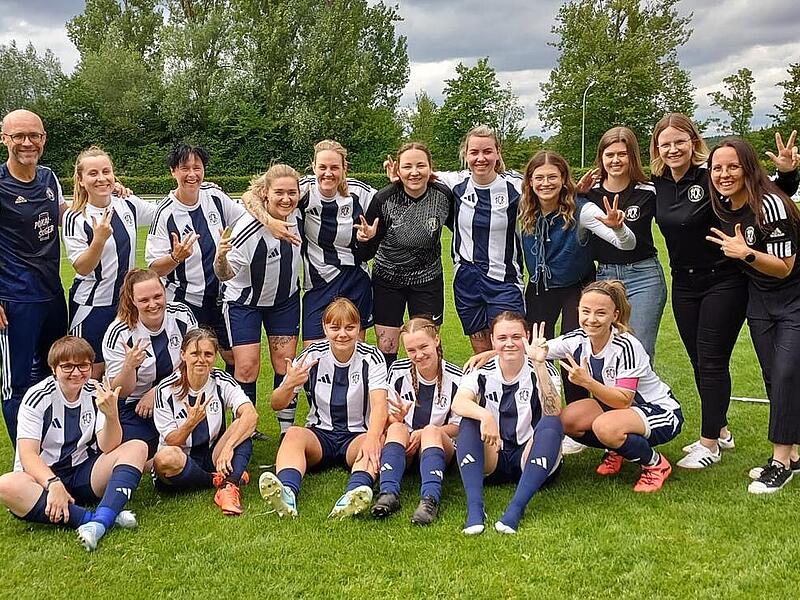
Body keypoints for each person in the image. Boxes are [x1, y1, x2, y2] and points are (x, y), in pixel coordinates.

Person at [650, 114, 799, 469]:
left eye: (680, 141)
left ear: (693, 142)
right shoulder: (656, 183)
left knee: (713, 359)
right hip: (683, 283)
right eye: (665, 143)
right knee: (700, 361)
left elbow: (762, 193)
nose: (673, 149)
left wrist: (790, 174)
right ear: (657, 148)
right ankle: (722, 428)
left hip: (724, 279)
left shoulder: (712, 174)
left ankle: (709, 443)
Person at [706, 138, 800, 493]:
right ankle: (791, 455)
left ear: (749, 168)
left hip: (792, 297)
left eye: (733, 166)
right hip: (760, 301)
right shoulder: (724, 203)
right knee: (774, 378)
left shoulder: (771, 205)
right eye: (717, 168)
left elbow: (785, 268)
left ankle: (779, 463)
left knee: (788, 372)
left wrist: (745, 253)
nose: (724, 174)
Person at [0, 336, 147, 551]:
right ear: (53, 369)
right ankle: (100, 518)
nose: (76, 373)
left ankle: (99, 521)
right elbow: (28, 455)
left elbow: (108, 446)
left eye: (83, 366)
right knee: (6, 485)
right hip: (42, 480)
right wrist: (53, 484)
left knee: (137, 447)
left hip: (82, 474)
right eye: (67, 366)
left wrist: (112, 415)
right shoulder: (37, 397)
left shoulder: (95, 390)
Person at [519, 149, 634, 408]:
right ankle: (537, 409)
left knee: (573, 350)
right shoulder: (524, 208)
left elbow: (624, 244)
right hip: (540, 288)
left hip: (578, 288)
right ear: (530, 182)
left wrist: (619, 228)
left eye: (552, 177)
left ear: (563, 179)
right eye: (538, 178)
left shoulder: (583, 210)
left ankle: (577, 414)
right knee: (534, 349)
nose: (545, 183)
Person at [258, 298, 388, 519]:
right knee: (293, 434)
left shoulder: (371, 357)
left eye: (349, 327)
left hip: (356, 436)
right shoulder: (312, 355)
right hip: (320, 436)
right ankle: (287, 493)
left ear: (358, 328)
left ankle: (351, 496)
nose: (342, 334)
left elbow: (379, 405)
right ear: (325, 327)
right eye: (335, 328)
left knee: (378, 441)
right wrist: (289, 383)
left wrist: (374, 437)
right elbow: (276, 403)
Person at [554, 281, 683, 493]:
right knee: (568, 421)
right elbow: (535, 350)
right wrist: (492, 353)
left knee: (605, 427)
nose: (591, 319)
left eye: (600, 313)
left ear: (614, 315)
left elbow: (624, 400)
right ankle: (618, 449)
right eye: (586, 311)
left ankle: (655, 464)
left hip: (659, 411)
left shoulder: (626, 345)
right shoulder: (578, 338)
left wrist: (587, 382)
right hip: (619, 410)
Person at [453, 313, 564, 535]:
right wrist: (486, 416)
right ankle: (475, 509)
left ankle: (516, 509)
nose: (509, 343)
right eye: (502, 337)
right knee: (468, 421)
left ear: (527, 337)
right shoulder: (481, 371)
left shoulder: (544, 369)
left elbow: (554, 409)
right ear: (492, 341)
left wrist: (540, 365)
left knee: (551, 425)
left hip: (530, 456)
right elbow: (459, 402)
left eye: (516, 336)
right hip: (494, 455)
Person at [215, 164, 302, 437]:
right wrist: (220, 258)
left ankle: (287, 431)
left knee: (285, 363)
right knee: (247, 366)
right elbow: (225, 274)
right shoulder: (246, 230)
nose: (286, 199)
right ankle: (245, 429)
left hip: (284, 300)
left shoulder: (297, 212)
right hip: (245, 303)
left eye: (292, 192)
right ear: (266, 193)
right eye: (279, 193)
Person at [145, 143, 245, 372]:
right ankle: (188, 407)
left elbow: (245, 222)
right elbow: (154, 268)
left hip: (221, 298)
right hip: (185, 301)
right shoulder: (165, 213)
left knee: (233, 358)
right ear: (173, 171)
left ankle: (221, 406)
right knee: (189, 361)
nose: (192, 174)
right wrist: (175, 257)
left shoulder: (216, 198)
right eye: (184, 168)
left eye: (197, 168)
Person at [0, 109, 67, 443]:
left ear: (43, 139)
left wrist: (112, 192)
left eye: (34, 136)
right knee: (17, 384)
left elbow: (66, 216)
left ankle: (54, 449)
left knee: (57, 373)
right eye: (19, 136)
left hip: (53, 296)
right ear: (4, 139)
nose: (27, 143)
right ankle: (24, 463)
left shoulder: (49, 178)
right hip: (15, 300)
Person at [429, 125, 526, 354]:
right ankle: (486, 391)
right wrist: (396, 176)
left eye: (487, 151)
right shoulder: (455, 183)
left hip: (505, 281)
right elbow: (418, 174)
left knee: (509, 347)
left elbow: (551, 187)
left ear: (497, 153)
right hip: (467, 282)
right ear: (466, 155)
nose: (481, 158)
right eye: (474, 152)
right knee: (481, 350)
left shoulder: (516, 186)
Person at [63, 146, 156, 379]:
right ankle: (87, 416)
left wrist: (203, 189)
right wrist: (99, 241)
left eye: (106, 171)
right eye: (93, 173)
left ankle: (117, 417)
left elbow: (165, 211)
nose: (101, 178)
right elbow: (82, 267)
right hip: (92, 307)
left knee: (127, 367)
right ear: (81, 179)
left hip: (127, 305)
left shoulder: (128, 204)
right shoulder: (75, 216)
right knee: (91, 371)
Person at [359, 142, 454, 367]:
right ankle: (388, 396)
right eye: (407, 166)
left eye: (420, 165)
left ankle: (429, 395)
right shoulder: (384, 199)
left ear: (430, 169)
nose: (414, 172)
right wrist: (368, 238)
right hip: (388, 281)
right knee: (387, 347)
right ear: (397, 171)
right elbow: (364, 253)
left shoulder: (442, 196)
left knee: (426, 345)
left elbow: (464, 227)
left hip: (427, 280)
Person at [581, 127, 665, 362]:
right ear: (601, 158)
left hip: (644, 276)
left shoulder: (648, 191)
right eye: (610, 155)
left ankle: (641, 400)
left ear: (632, 157)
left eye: (622, 154)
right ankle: (611, 399)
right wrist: (577, 192)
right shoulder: (590, 194)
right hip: (605, 276)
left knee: (640, 349)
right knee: (606, 348)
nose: (615, 160)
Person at [152, 329, 257, 515]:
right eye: (195, 353)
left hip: (212, 456)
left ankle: (228, 488)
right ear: (183, 355)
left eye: (208, 354)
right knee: (164, 459)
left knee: (242, 427)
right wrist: (190, 423)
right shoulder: (166, 389)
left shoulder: (221, 379)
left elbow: (251, 415)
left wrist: (229, 447)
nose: (201, 359)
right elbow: (171, 441)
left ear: (215, 357)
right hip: (180, 462)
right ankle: (219, 480)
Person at [370, 317, 462, 525]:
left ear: (436, 340)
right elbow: (387, 416)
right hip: (406, 447)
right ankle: (388, 493)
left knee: (430, 430)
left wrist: (424, 433)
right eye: (411, 350)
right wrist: (397, 418)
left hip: (439, 445)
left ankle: (429, 499)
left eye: (423, 347)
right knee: (397, 428)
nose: (419, 355)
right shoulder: (397, 372)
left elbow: (458, 426)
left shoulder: (457, 378)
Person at [102, 269, 198, 457]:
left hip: (177, 393)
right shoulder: (119, 333)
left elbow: (197, 362)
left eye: (157, 296)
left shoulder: (182, 315)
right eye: (144, 300)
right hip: (136, 406)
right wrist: (129, 367)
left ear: (165, 292)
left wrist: (158, 391)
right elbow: (120, 391)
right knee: (142, 450)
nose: (153, 305)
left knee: (198, 440)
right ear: (132, 299)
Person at [293, 140, 377, 345]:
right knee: (313, 355)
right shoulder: (303, 190)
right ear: (313, 167)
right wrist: (271, 222)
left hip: (354, 280)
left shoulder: (358, 191)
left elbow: (390, 201)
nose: (328, 173)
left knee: (354, 352)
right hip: (318, 284)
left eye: (334, 167)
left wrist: (372, 235)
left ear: (344, 168)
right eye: (322, 167)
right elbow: (256, 194)